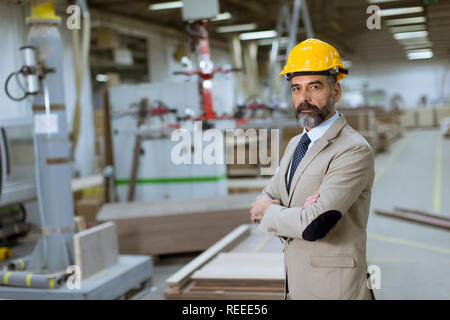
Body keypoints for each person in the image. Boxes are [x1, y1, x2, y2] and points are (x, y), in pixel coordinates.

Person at [250, 38, 375, 300]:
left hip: (334, 288)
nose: (303, 98)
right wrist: (294, 212)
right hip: (297, 283)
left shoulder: (353, 150)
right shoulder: (296, 143)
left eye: (314, 87)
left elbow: (315, 225)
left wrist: (273, 212)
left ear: (336, 92)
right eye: (296, 89)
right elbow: (268, 194)